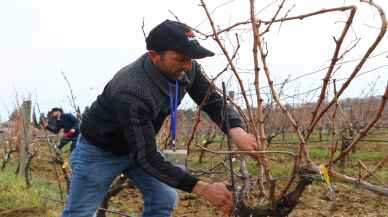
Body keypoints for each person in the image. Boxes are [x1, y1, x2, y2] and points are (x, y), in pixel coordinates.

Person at [62, 20, 259, 217]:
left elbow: (212, 100)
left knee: (164, 199)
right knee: (79, 212)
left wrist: (236, 130)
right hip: (100, 150)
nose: (188, 65)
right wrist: (204, 189)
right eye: (181, 59)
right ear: (155, 56)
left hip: (139, 145)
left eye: (191, 58)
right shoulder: (131, 90)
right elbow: (146, 157)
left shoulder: (187, 67)